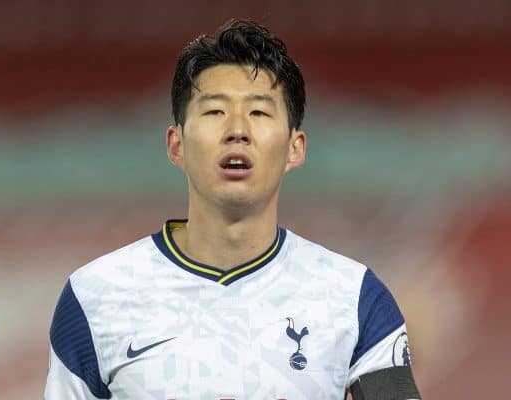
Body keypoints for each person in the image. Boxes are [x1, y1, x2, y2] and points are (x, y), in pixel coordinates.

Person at [44, 19, 422, 400]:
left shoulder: (354, 299)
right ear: (177, 145)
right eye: (214, 112)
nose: (237, 130)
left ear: (295, 147)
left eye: (259, 113)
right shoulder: (95, 297)